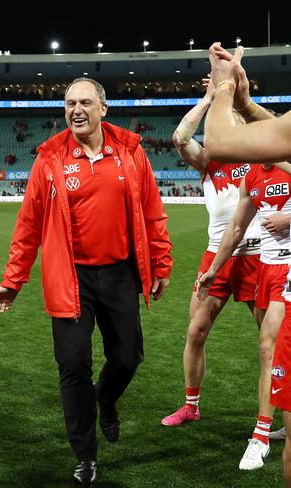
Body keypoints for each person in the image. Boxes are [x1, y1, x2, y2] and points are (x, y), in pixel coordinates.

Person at [0, 77, 172, 485]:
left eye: (86, 102)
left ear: (103, 109)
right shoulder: (50, 159)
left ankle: (106, 399)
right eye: (70, 103)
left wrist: (161, 265)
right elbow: (28, 224)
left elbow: (152, 211)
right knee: (73, 367)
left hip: (121, 274)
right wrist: (12, 280)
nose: (77, 110)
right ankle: (85, 455)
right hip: (70, 279)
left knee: (128, 359)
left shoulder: (130, 152)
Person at [202, 42, 291, 486]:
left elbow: (218, 141)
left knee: (271, 347)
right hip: (273, 268)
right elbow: (236, 229)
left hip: (286, 272)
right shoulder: (258, 172)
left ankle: (261, 434)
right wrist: (215, 269)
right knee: (268, 349)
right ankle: (263, 429)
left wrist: (223, 89)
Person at [161, 80, 262, 429]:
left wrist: (237, 95)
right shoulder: (208, 163)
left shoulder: (260, 159)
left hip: (258, 255)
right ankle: (191, 405)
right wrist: (208, 99)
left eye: (233, 119)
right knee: (195, 333)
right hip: (215, 257)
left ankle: (277, 415)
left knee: (271, 341)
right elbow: (180, 138)